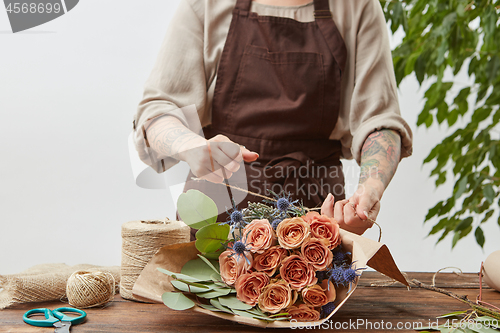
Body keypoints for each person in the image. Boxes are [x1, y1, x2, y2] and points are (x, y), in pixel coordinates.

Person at [132, 0, 413, 235]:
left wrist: (369, 190)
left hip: (316, 217)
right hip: (216, 214)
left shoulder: (357, 6)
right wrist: (191, 146)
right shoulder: (207, 4)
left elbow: (380, 121)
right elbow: (157, 111)